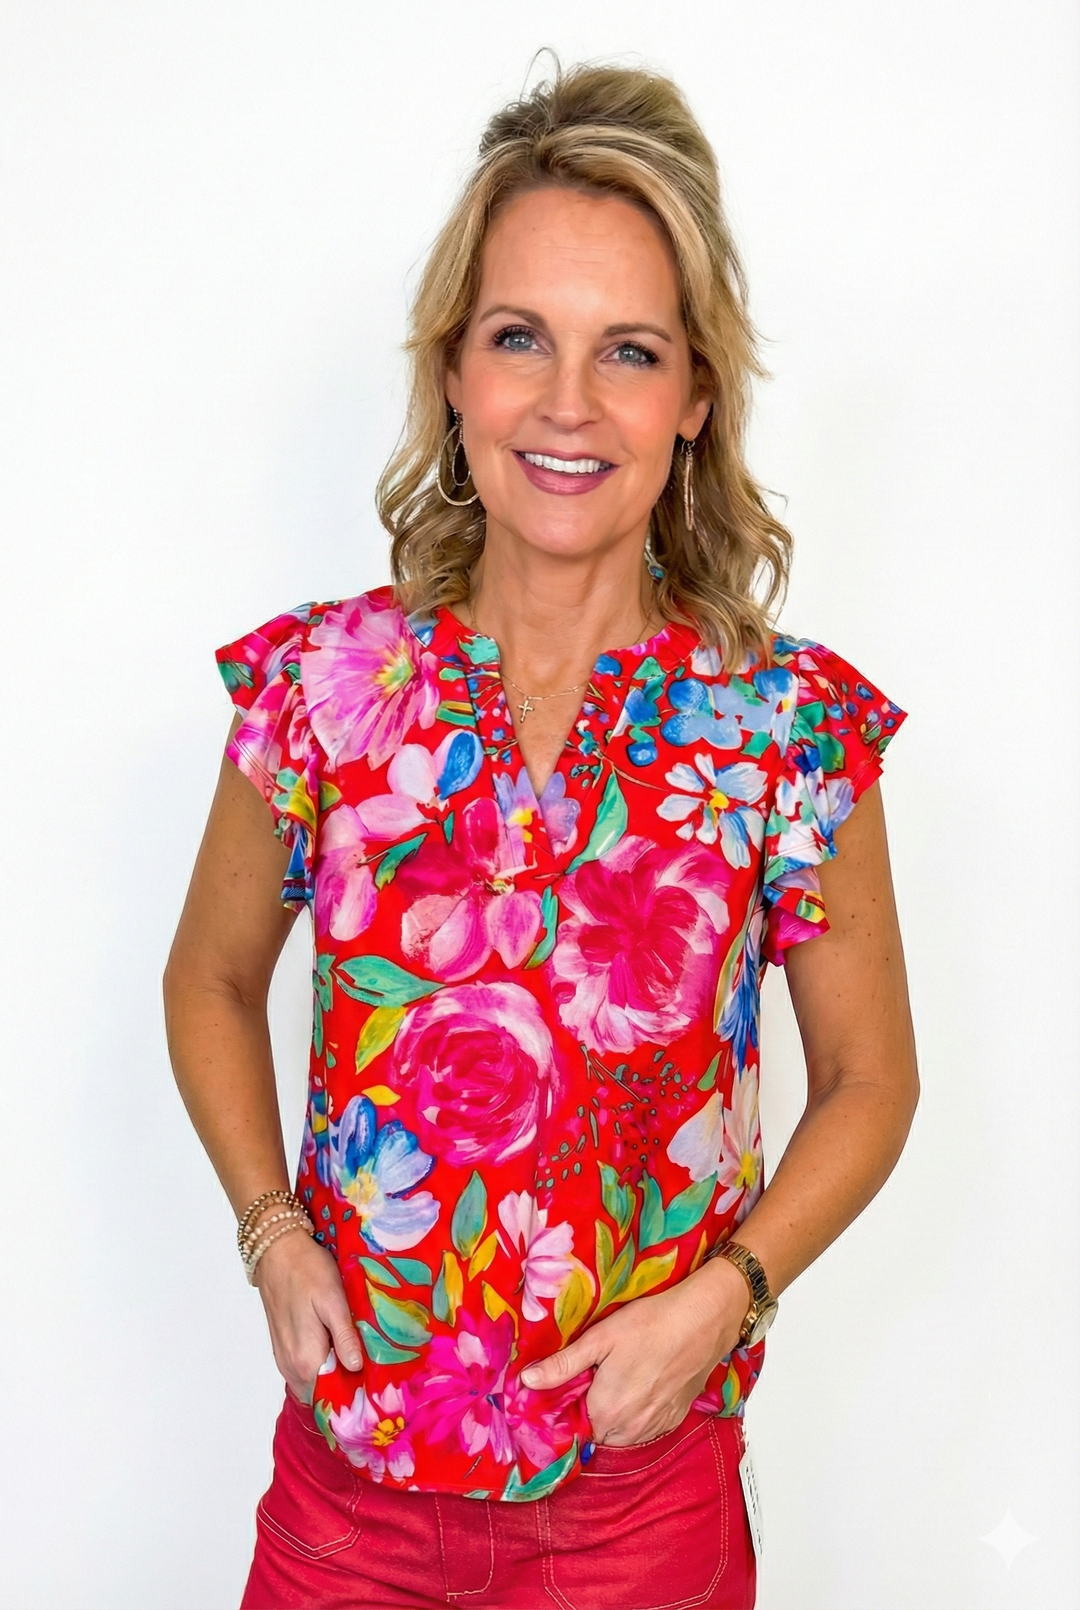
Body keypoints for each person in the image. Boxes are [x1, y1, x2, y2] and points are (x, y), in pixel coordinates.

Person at [164, 61, 918, 1610]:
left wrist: (729, 1296)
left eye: (627, 352)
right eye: (522, 338)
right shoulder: (324, 687)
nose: (568, 404)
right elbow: (210, 976)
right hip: (348, 1498)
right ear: (455, 370)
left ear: (695, 396)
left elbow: (871, 1078)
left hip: (637, 1509)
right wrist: (272, 1234)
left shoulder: (787, 732)